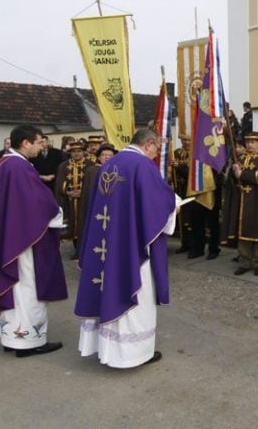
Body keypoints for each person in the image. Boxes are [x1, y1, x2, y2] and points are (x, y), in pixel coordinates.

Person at [75, 129, 177, 368]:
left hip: (108, 238)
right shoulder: (141, 165)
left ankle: (106, 348)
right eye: (157, 147)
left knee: (108, 285)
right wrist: (174, 207)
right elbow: (158, 204)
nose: (156, 153)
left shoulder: (111, 163)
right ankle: (133, 354)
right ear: (149, 144)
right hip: (131, 242)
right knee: (137, 292)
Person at [0, 125, 67, 357]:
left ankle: (11, 337)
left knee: (14, 288)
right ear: (25, 143)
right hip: (22, 240)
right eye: (38, 142)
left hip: (9, 234)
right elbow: (37, 202)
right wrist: (57, 212)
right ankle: (28, 342)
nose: (40, 146)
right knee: (27, 286)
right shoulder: (19, 166)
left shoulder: (4, 163)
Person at [221, 132, 258, 276]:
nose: (249, 145)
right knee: (242, 232)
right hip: (241, 201)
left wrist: (242, 175)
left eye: (252, 142)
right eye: (247, 142)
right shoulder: (239, 158)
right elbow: (233, 180)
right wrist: (234, 174)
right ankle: (244, 262)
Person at [55, 142, 94, 259]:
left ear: (83, 152)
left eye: (79, 151)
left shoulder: (90, 165)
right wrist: (67, 192)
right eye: (73, 151)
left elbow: (92, 182)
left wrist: (83, 192)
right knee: (72, 224)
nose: (76, 154)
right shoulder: (63, 165)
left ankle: (84, 251)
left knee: (84, 223)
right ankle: (76, 250)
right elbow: (59, 183)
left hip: (85, 201)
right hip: (70, 201)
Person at [77, 143, 116, 256]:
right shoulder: (91, 171)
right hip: (95, 207)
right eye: (104, 154)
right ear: (98, 157)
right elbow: (86, 192)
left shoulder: (118, 170)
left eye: (109, 155)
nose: (106, 157)